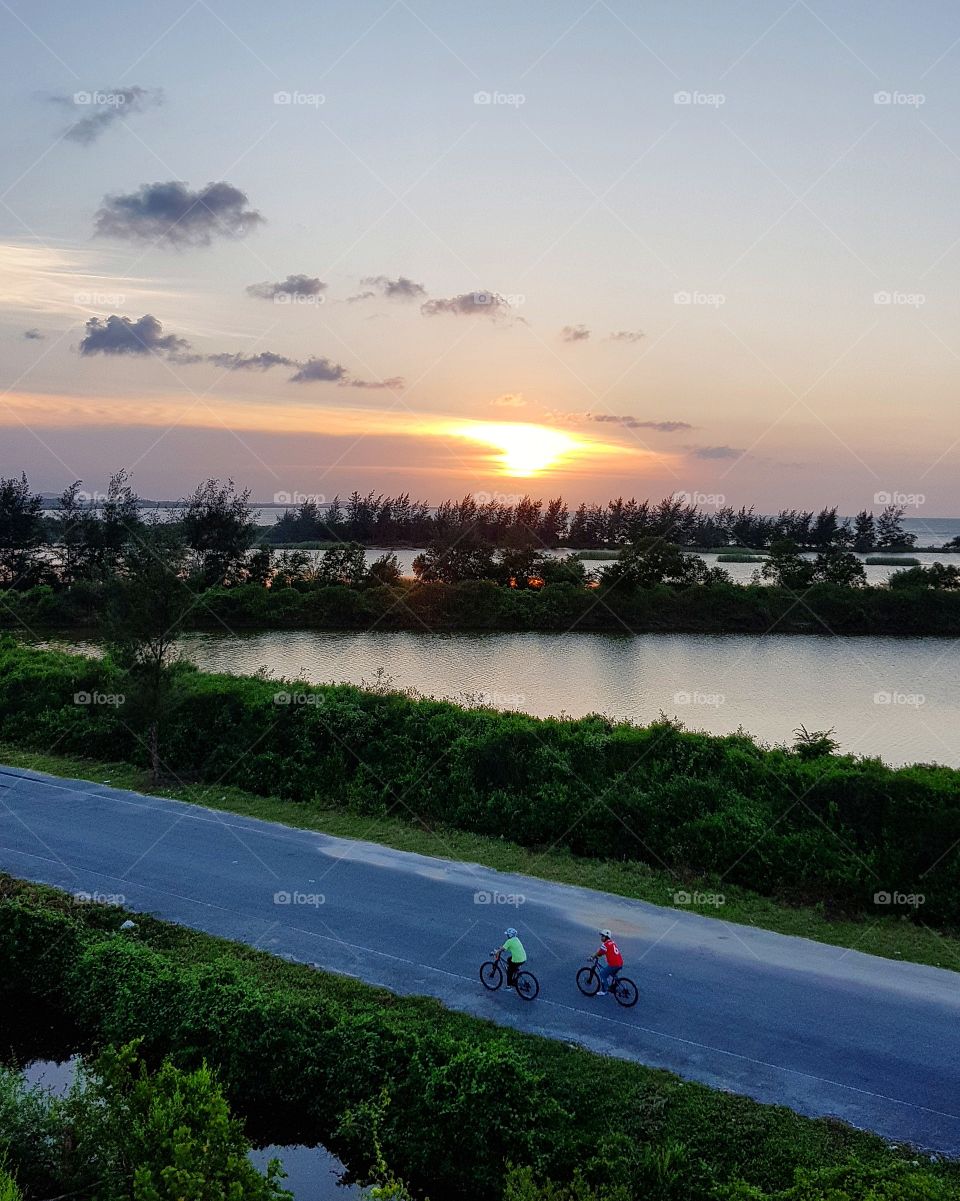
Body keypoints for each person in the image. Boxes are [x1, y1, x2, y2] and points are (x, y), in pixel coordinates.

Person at [594, 928, 623, 995]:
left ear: (606, 937)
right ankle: (617, 984)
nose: (601, 937)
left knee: (602, 974)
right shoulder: (612, 942)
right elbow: (606, 952)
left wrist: (592, 957)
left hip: (614, 964)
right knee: (612, 973)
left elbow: (599, 953)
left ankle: (605, 991)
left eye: (602, 936)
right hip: (620, 963)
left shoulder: (605, 945)